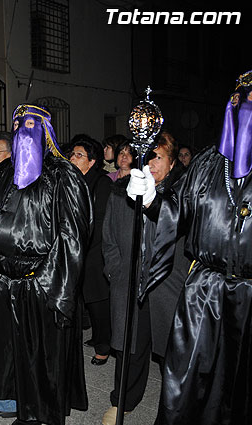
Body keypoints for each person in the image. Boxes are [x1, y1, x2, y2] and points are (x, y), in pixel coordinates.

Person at [0, 104, 91, 425]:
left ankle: (36, 411)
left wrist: (56, 286)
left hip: (41, 280)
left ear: (44, 130)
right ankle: (3, 400)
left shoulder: (62, 175)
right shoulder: (1, 173)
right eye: (18, 124)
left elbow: (73, 235)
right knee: (1, 348)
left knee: (36, 354)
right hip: (2, 278)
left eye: (31, 123)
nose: (24, 129)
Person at [131, 70, 252, 425]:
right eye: (237, 100)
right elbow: (177, 211)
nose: (242, 108)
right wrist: (153, 199)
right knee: (185, 381)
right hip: (204, 291)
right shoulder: (208, 163)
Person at [101, 132, 188, 424]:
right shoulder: (125, 188)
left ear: (173, 161)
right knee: (131, 347)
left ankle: (176, 410)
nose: (152, 163)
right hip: (130, 282)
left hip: (168, 286)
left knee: (172, 355)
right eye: (149, 156)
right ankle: (123, 401)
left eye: (159, 157)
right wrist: (115, 268)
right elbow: (109, 235)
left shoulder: (184, 194)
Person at [68, 135, 112, 367]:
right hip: (77, 247)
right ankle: (95, 335)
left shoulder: (102, 183)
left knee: (97, 300)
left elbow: (101, 222)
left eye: (79, 155)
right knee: (82, 298)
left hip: (95, 250)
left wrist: (82, 246)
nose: (73, 158)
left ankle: (104, 346)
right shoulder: (75, 181)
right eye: (72, 154)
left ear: (92, 161)